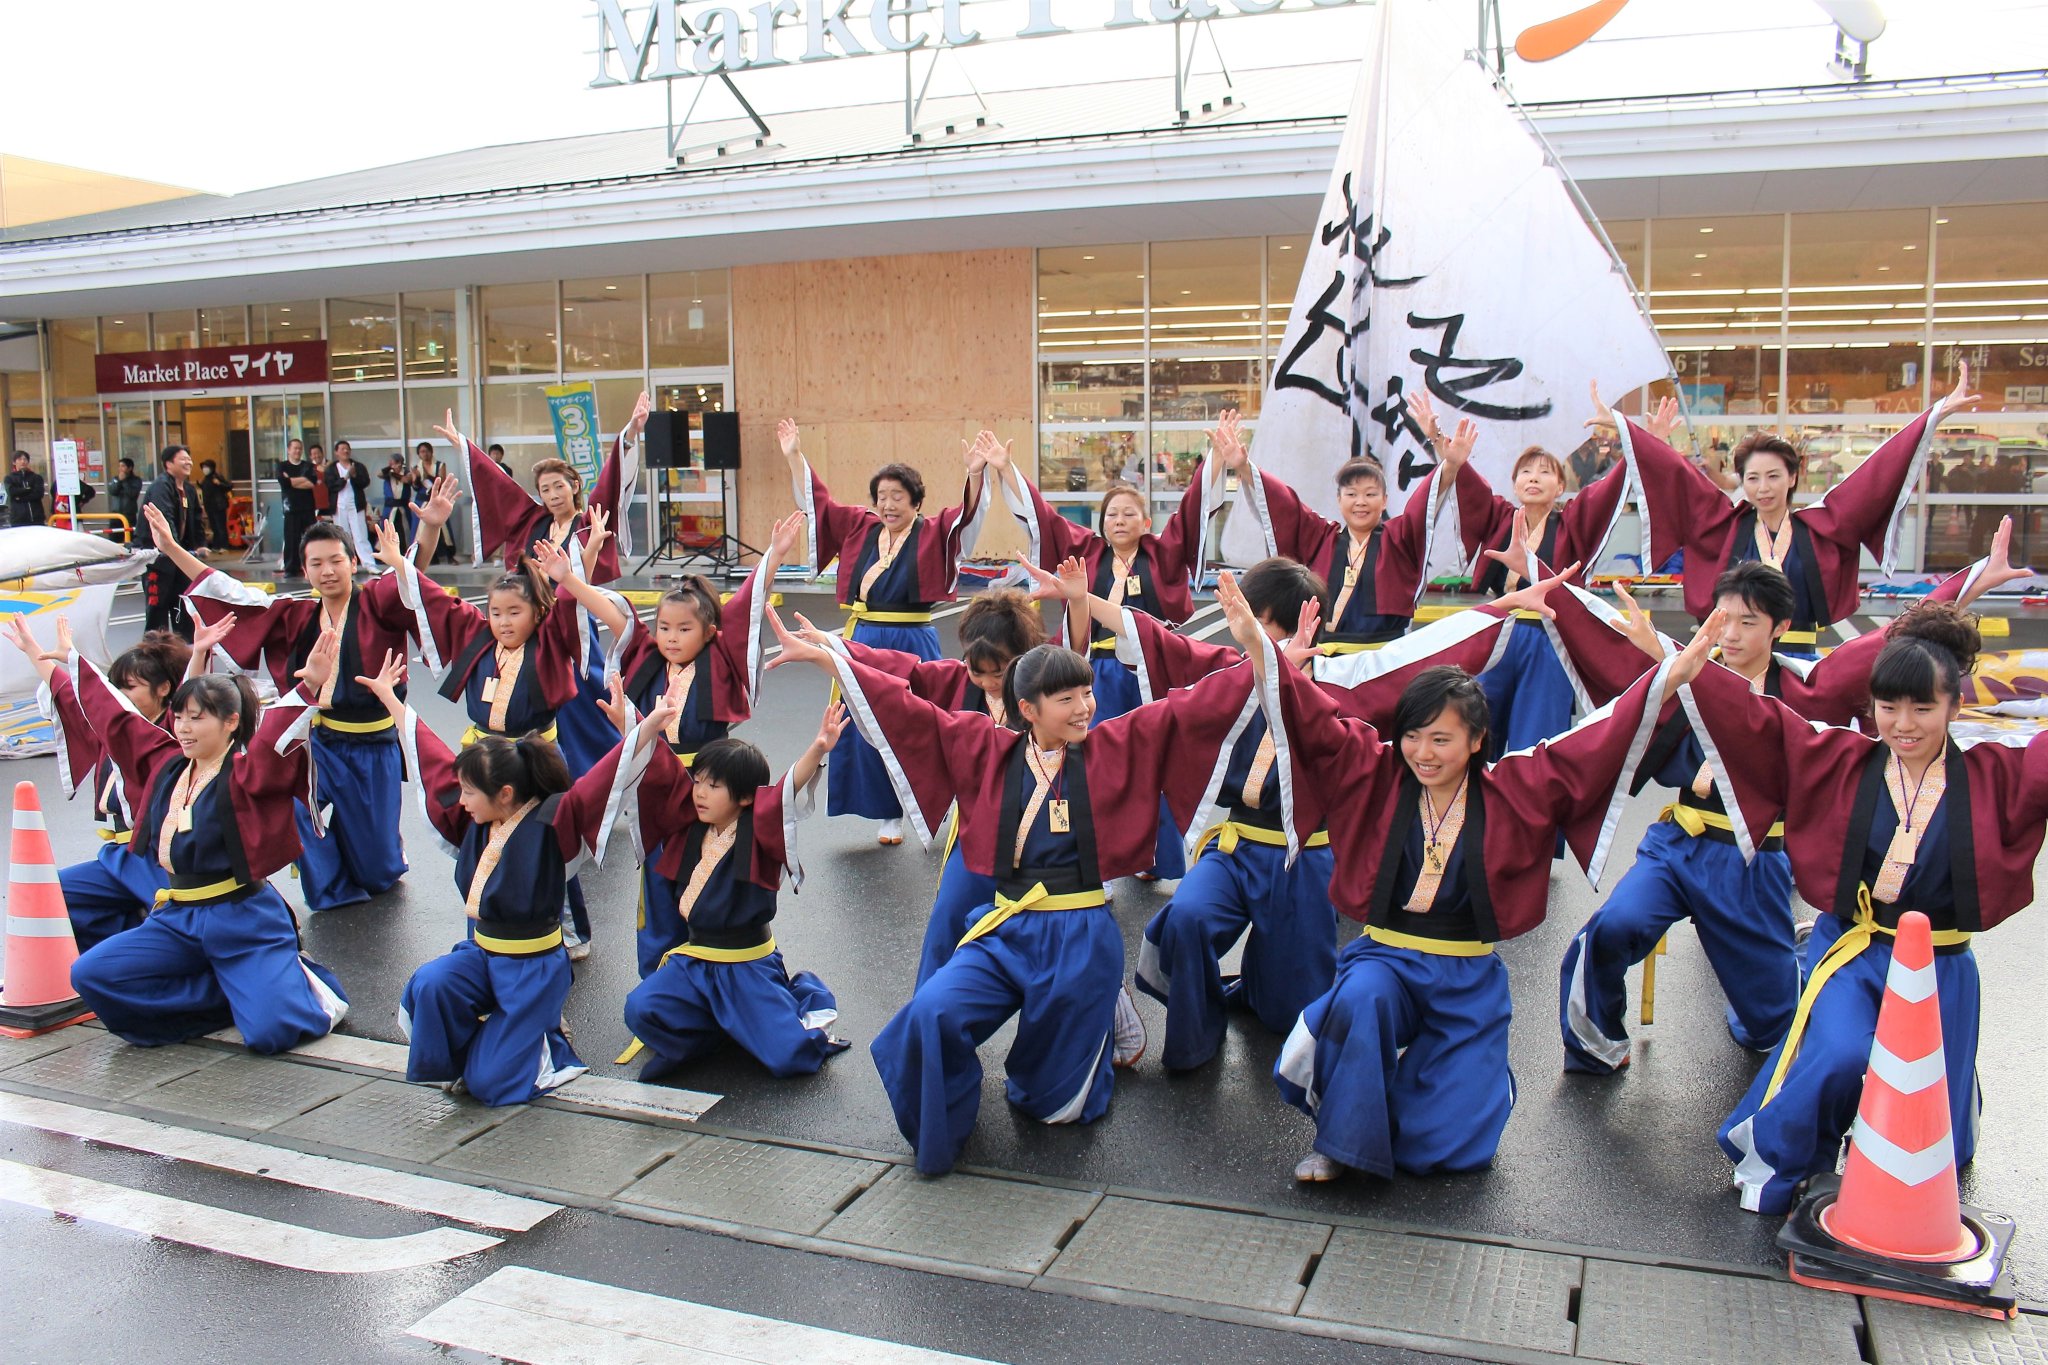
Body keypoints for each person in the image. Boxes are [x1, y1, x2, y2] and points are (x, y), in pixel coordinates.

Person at [1228, 571, 1714, 1184]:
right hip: (1385, 958)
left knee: (1449, 1154)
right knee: (1360, 1000)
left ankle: (1463, 1086)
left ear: (1477, 739)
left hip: (1467, 971)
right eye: (1411, 736)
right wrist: (1258, 649)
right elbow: (1318, 719)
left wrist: (1669, 674)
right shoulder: (1374, 772)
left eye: (1441, 740)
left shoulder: (1517, 788)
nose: (1423, 753)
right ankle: (1343, 1142)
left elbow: (1598, 740)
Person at [771, 620, 1261, 1176]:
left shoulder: (1115, 745)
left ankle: (1097, 1026)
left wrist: (1268, 662)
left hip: (1078, 936)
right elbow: (906, 707)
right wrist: (829, 661)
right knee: (930, 1017)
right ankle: (944, 1128)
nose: (1084, 708)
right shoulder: (983, 746)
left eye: (1087, 693)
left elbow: (1189, 709)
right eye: (1066, 698)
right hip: (1004, 930)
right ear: (1025, 707)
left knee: (1051, 1105)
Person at [1550, 529, 2029, 1078]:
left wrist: (1971, 582)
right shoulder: (1682, 670)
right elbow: (1596, 645)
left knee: (1770, 1029)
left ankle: (1803, 957)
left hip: (1752, 863)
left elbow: (1893, 638)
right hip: (1676, 845)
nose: (1728, 633)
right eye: (1721, 618)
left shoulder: (1810, 692)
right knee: (1609, 928)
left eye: (1747, 622)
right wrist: (1537, 575)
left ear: (1780, 628)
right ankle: (1595, 1046)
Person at [1685, 605, 2048, 1215]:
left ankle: (1936, 1147)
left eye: (1923, 708)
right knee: (1839, 1055)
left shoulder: (1995, 774)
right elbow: (1760, 722)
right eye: (1888, 707)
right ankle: (1788, 1162)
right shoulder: (1842, 759)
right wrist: (1687, 671)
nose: (1903, 725)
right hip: (1853, 948)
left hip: (1941, 961)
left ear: (1955, 707)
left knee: (1934, 1131)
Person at [362, 652, 669, 1105]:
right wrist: (391, 698)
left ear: (504, 794)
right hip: (483, 955)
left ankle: (547, 1047)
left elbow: (606, 778)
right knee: (432, 985)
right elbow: (429, 755)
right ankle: (486, 1047)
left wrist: (641, 728)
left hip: (533, 969)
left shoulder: (554, 822)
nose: (461, 798)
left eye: (469, 791)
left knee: (491, 1086)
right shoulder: (476, 818)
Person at [156, 490, 452, 914]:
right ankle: (330, 888)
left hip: (373, 748)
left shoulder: (377, 604)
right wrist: (171, 548)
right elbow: (229, 592)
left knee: (378, 872)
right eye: (317, 563)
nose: (327, 571)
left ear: (353, 562)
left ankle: (375, 859)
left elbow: (410, 579)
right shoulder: (294, 616)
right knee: (288, 804)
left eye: (336, 560)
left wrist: (432, 525)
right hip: (318, 745)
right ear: (304, 569)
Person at [65, 634, 350, 1054]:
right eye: (179, 717)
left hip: (243, 919)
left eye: (197, 718)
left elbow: (273, 744)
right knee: (93, 975)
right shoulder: (168, 761)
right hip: (178, 918)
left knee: (273, 1035)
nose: (182, 727)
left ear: (231, 722)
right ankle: (228, 994)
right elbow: (116, 719)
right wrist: (59, 664)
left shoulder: (246, 772)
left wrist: (306, 689)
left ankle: (290, 978)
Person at [782, 586, 1049, 988]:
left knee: (1058, 927)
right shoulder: (956, 681)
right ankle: (927, 1022)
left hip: (1044, 828)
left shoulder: (1048, 685)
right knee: (949, 920)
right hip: (980, 827)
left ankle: (1103, 1002)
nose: (990, 682)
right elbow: (894, 672)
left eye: (1002, 671)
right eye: (979, 671)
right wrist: (831, 648)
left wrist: (1078, 603)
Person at [1615, 365, 1984, 655]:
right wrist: (1648, 442)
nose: (1763, 488)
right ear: (1742, 481)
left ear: (1792, 477)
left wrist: (1934, 417)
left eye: (1773, 476)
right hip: (1733, 663)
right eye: (1753, 478)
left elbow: (1875, 475)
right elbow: (1681, 483)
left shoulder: (1820, 528)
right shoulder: (1726, 526)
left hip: (1801, 660)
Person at [989, 428, 1218, 879]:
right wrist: (1006, 471)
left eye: (1130, 513)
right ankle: (1102, 862)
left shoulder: (1163, 555)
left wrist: (1216, 462)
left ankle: (1153, 856)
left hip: (1154, 674)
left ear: (1146, 523)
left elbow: (1192, 513)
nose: (1119, 520)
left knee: (1157, 762)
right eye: (1111, 513)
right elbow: (1044, 516)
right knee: (1097, 762)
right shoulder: (1087, 555)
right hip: (1099, 676)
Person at [778, 418, 990, 846]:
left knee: (924, 722)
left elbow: (968, 518)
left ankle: (942, 801)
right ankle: (888, 812)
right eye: (882, 497)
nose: (888, 505)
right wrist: (795, 456)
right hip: (862, 640)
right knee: (863, 724)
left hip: (913, 641)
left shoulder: (933, 533)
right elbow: (819, 505)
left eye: (898, 497)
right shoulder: (861, 528)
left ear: (916, 501)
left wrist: (975, 474)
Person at [616, 704, 853, 1082]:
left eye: (714, 786)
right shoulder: (691, 824)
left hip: (747, 967)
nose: (700, 794)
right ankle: (719, 1033)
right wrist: (633, 727)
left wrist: (819, 748)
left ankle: (801, 993)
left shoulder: (759, 829)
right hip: (695, 962)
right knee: (641, 1009)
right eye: (698, 782)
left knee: (789, 1058)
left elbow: (785, 795)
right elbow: (663, 772)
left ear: (745, 798)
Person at [613, 509, 801, 977]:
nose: (671, 638)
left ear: (709, 633)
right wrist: (570, 579)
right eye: (664, 628)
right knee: (658, 872)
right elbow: (616, 617)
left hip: (709, 785)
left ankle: (711, 968)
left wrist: (774, 556)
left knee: (707, 872)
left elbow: (746, 605)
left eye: (684, 629)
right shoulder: (652, 662)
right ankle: (658, 975)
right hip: (660, 782)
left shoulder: (719, 657)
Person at [1432, 382, 1641, 757]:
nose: (1532, 478)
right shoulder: (1500, 517)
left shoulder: (1573, 522)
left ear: (1561, 485)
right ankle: (1480, 811)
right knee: (1479, 729)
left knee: (1538, 741)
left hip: (1551, 639)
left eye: (1544, 473)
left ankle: (1533, 813)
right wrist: (1450, 456)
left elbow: (1610, 488)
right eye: (1525, 471)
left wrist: (1637, 441)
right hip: (1498, 633)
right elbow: (1469, 486)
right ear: (1513, 484)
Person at [1210, 408, 1489, 652]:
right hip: (1324, 655)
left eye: (1370, 494)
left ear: (1385, 501)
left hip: (1385, 655)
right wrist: (1243, 467)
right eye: (1352, 494)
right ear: (1339, 500)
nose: (1360, 502)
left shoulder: (1399, 538)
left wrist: (1451, 464)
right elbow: (1284, 505)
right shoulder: (1322, 537)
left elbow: (1424, 502)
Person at [8, 617, 187, 948]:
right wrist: (33, 651)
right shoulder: (113, 727)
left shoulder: (174, 734)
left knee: (179, 924)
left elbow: (196, 693)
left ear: (164, 689)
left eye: (129, 687)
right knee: (51, 895)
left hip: (158, 855)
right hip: (120, 855)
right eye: (115, 687)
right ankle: (107, 953)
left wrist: (201, 651)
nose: (119, 696)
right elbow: (73, 696)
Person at [143, 445, 206, 638]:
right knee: (158, 608)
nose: (188, 462)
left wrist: (199, 545)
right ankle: (154, 654)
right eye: (183, 459)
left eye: (189, 458)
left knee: (183, 606)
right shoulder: (161, 487)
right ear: (169, 463)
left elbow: (196, 519)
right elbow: (165, 520)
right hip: (159, 559)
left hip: (181, 558)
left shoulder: (188, 489)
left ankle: (184, 651)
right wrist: (175, 548)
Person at [324, 439, 373, 563]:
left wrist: (355, 475)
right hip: (339, 505)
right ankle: (344, 563)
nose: (345, 451)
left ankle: (369, 563)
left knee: (360, 535)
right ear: (336, 453)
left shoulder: (358, 466)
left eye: (347, 449)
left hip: (356, 505)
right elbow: (331, 486)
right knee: (342, 536)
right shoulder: (332, 469)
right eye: (342, 449)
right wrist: (346, 477)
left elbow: (365, 482)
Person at [411, 442, 459, 565]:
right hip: (422, 501)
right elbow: (415, 487)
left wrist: (428, 476)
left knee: (444, 529)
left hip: (436, 500)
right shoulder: (416, 468)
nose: (425, 454)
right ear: (418, 454)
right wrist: (416, 478)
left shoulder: (440, 465)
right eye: (422, 452)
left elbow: (442, 482)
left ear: (431, 452)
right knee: (421, 530)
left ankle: (449, 555)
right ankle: (426, 557)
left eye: (427, 451)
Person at [278, 438, 317, 576]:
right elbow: (284, 483)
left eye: (300, 448)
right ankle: (291, 568)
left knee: (310, 538)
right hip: (291, 508)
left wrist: (291, 480)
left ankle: (311, 567)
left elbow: (311, 483)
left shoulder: (308, 466)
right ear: (288, 450)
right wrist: (300, 480)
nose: (297, 451)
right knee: (291, 539)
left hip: (307, 507)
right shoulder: (282, 466)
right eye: (295, 448)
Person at [198, 460, 232, 553]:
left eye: (207, 467)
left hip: (219, 506)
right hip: (210, 506)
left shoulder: (217, 477)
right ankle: (216, 545)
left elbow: (229, 486)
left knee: (221, 526)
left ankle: (224, 545)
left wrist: (219, 483)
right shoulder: (205, 479)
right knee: (214, 527)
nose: (205, 469)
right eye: (203, 467)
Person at [108, 457, 145, 542]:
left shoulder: (136, 480)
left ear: (130, 468)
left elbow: (132, 493)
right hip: (115, 515)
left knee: (129, 538)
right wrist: (119, 481)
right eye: (119, 466)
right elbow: (112, 491)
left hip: (129, 514)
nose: (120, 469)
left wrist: (124, 481)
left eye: (123, 466)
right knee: (114, 538)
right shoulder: (115, 479)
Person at [7, 450, 47, 527]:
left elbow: (38, 494)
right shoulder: (9, 478)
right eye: (19, 459)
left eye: (25, 459)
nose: (23, 461)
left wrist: (20, 498)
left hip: (37, 519)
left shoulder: (36, 477)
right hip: (18, 520)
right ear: (14, 462)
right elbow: (11, 492)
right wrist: (28, 489)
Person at [381, 454, 412, 544]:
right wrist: (389, 468)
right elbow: (379, 474)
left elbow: (407, 480)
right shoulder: (387, 473)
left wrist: (394, 474)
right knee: (387, 529)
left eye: (393, 462)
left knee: (405, 530)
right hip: (390, 507)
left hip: (403, 506)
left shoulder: (406, 472)